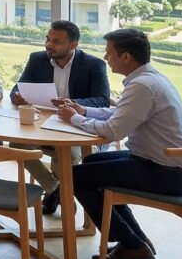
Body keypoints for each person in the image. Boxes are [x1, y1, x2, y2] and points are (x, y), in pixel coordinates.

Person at [60, 28, 182, 259]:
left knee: (75, 175)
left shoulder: (142, 86)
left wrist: (74, 119)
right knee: (90, 164)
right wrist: (83, 110)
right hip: (166, 165)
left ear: (126, 57)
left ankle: (131, 244)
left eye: (109, 52)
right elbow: (121, 114)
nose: (105, 57)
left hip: (166, 173)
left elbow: (113, 131)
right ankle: (134, 241)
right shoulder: (151, 79)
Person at [9, 20, 112, 214]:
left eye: (56, 41)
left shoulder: (93, 64)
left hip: (77, 126)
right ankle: (55, 189)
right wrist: (18, 96)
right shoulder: (37, 59)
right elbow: (18, 87)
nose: (49, 44)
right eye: (48, 39)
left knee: (69, 156)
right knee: (17, 146)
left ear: (73, 45)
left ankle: (53, 193)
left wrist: (72, 103)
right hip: (42, 124)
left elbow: (102, 100)